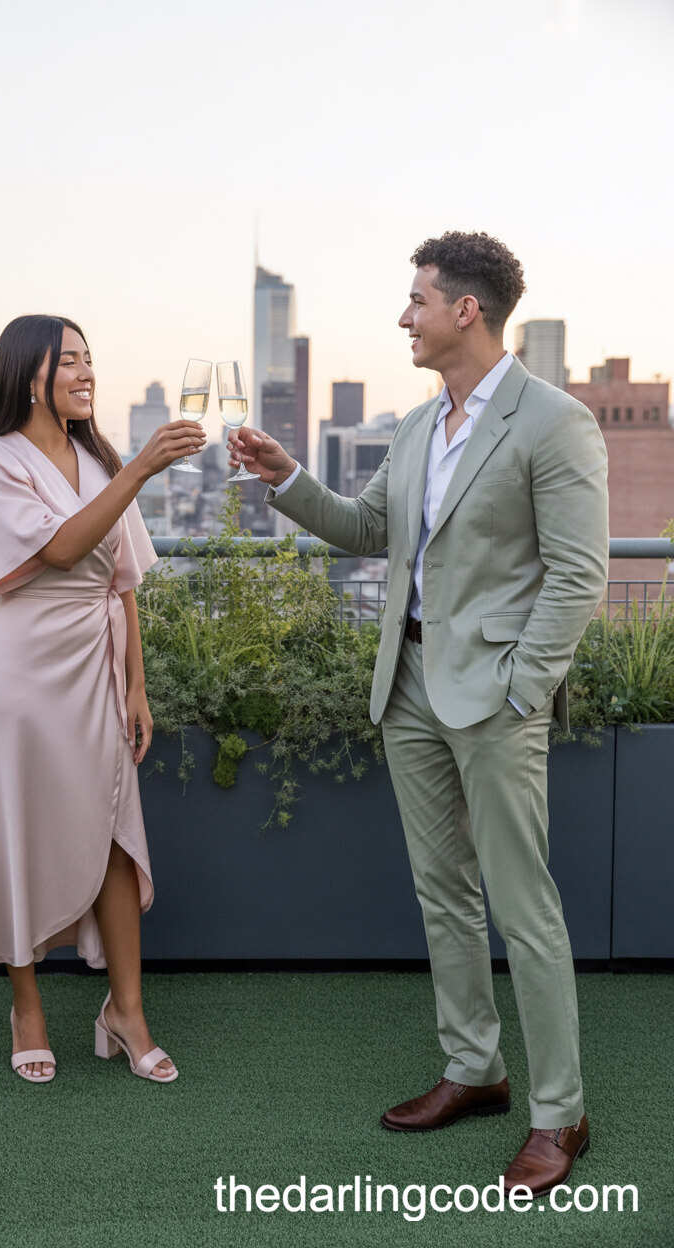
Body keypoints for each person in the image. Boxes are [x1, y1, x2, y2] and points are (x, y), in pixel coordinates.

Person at [227, 232, 609, 1195]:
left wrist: (525, 684)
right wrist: (285, 478)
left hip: (494, 701)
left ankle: (560, 1115)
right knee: (445, 899)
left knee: (527, 913)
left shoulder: (553, 422)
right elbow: (372, 532)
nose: (405, 315)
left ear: (465, 311)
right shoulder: (413, 424)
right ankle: (475, 1071)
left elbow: (579, 573)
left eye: (418, 300)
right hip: (407, 691)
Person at [0, 314, 206, 1084]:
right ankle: (27, 1008)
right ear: (29, 378)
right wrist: (141, 469)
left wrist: (138, 686)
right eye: (71, 363)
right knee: (19, 833)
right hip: (19, 679)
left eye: (91, 361)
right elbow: (56, 549)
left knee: (118, 833)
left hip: (97, 671)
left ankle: (127, 1014)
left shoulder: (98, 459)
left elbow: (122, 584)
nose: (88, 374)